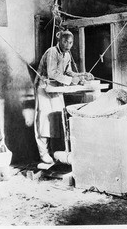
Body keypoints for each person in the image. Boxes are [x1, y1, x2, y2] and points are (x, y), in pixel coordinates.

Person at [34, 29, 94, 164]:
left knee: (58, 118)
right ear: (59, 40)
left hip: (57, 88)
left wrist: (82, 75)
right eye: (65, 41)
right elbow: (51, 73)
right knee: (44, 120)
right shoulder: (52, 52)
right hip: (44, 88)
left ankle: (55, 152)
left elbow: (68, 72)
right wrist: (69, 81)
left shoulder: (67, 55)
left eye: (71, 42)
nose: (68, 45)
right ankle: (43, 153)